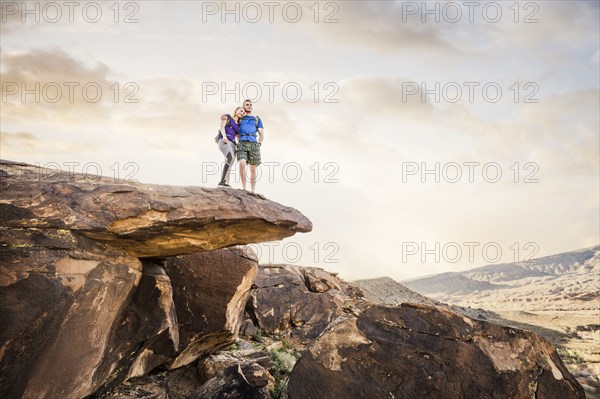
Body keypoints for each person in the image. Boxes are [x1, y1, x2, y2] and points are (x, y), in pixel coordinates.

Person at [237, 99, 263, 192]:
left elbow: (261, 134)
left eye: (250, 104)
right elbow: (235, 130)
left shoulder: (257, 119)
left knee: (253, 168)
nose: (249, 106)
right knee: (242, 163)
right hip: (242, 143)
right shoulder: (240, 119)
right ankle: (244, 188)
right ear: (243, 107)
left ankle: (252, 191)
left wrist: (259, 143)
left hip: (253, 143)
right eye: (247, 105)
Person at [217, 106, 245, 187]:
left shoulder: (239, 125)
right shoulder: (228, 117)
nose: (242, 113)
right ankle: (221, 181)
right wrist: (224, 137)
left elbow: (237, 136)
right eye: (241, 111)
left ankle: (225, 182)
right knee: (230, 158)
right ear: (236, 111)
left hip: (233, 143)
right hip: (224, 140)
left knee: (231, 161)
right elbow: (222, 127)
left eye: (243, 113)